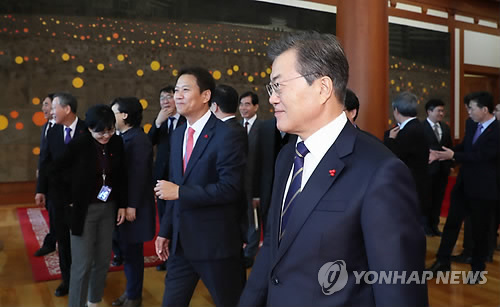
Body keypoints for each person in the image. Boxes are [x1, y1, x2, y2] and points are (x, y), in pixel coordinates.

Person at [239, 31, 428, 307]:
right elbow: (273, 249)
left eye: (279, 86)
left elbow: (397, 287)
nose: (272, 99)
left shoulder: (380, 172)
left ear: (322, 88)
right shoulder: (287, 157)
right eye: (271, 88)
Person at [154, 67, 246, 307]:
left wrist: (181, 192)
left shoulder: (227, 134)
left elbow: (230, 188)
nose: (178, 96)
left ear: (206, 96)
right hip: (181, 243)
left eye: (185, 89)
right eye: (176, 90)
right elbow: (173, 186)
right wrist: (165, 230)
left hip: (215, 244)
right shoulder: (178, 134)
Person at [50, 104, 127, 307]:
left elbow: (121, 176)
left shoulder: (116, 143)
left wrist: (123, 204)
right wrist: (68, 202)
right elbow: (55, 173)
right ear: (89, 128)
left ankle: (94, 301)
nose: (106, 135)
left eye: (110, 129)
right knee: (82, 265)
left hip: (108, 207)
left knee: (102, 261)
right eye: (100, 131)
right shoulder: (79, 144)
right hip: (83, 211)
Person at [427, 91, 499, 282]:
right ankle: (442, 261)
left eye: (472, 108)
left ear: (484, 110)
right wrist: (441, 153)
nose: (469, 112)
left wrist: (453, 156)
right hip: (464, 185)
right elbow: (466, 147)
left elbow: (482, 157)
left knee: (480, 231)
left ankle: (477, 269)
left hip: (484, 190)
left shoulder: (497, 131)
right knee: (451, 224)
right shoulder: (471, 124)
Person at [36, 92, 87, 297]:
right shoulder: (53, 131)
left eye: (54, 107)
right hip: (58, 196)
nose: (50, 112)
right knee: (63, 240)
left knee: (82, 240)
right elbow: (45, 161)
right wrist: (41, 189)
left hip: (82, 198)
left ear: (67, 109)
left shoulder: (87, 129)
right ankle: (67, 280)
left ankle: (84, 276)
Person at [111, 97, 156, 307]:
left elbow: (138, 176)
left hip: (133, 207)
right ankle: (130, 292)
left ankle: (134, 296)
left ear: (125, 115)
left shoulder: (138, 140)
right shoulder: (125, 137)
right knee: (128, 252)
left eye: (115, 112)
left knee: (133, 253)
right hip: (126, 205)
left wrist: (131, 206)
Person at [148, 86, 186, 271]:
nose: (165, 102)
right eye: (162, 98)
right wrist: (157, 123)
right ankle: (166, 256)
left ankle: (179, 254)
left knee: (180, 217)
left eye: (168, 97)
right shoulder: (161, 122)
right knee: (164, 218)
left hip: (180, 179)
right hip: (162, 178)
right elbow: (148, 144)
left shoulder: (185, 121)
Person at [384, 91, 430, 234]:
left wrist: (390, 140)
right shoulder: (418, 126)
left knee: (405, 227)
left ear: (396, 110)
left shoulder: (409, 131)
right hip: (416, 184)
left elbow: (393, 157)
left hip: (407, 186)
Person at [422, 99, 453, 236]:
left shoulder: (445, 127)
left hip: (443, 170)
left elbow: (449, 147)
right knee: (426, 198)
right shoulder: (421, 128)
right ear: (429, 111)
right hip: (427, 171)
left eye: (442, 111)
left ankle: (434, 225)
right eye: (438, 111)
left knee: (438, 199)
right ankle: (425, 226)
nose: (441, 113)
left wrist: (450, 165)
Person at [239, 91, 262, 268]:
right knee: (241, 218)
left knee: (254, 220)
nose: (243, 108)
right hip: (238, 184)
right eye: (241, 104)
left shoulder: (263, 129)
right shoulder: (237, 127)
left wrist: (258, 192)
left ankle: (250, 253)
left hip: (255, 184)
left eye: (247, 104)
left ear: (256, 106)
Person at [34, 93, 57, 257]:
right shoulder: (46, 126)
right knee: (52, 213)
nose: (44, 108)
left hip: (59, 183)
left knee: (57, 215)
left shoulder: (62, 128)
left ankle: (51, 242)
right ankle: (52, 241)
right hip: (48, 180)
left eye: (46, 104)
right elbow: (44, 156)